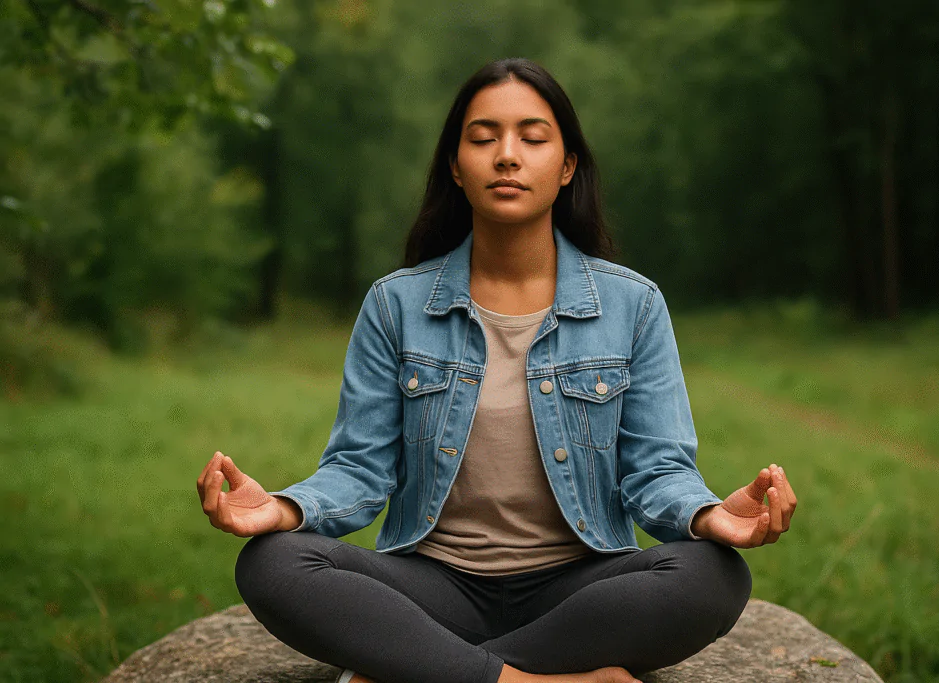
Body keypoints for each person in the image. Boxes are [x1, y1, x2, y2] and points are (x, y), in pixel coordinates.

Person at [197, 58, 797, 683]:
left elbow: (656, 471)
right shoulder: (395, 305)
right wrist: (284, 510)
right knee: (269, 563)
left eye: (533, 139)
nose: (507, 156)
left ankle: (424, 667)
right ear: (456, 166)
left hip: (578, 587)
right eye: (483, 138)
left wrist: (707, 517)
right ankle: (533, 679)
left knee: (715, 575)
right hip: (432, 589)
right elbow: (359, 469)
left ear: (567, 167)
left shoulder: (633, 304)